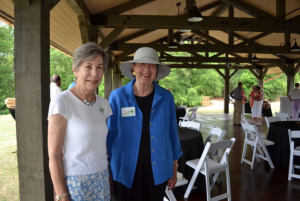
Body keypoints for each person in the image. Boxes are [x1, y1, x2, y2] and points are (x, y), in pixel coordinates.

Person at [107, 47, 183, 201]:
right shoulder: (117, 97)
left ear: (156, 70)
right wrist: (107, 170)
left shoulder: (166, 97)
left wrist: (174, 169)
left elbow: (172, 134)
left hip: (158, 167)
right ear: (133, 68)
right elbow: (109, 135)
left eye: (152, 65)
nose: (147, 69)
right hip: (124, 166)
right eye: (142, 64)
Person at [48, 42, 112, 201]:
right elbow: (54, 155)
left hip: (102, 177)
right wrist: (62, 195)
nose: (94, 73)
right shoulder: (62, 102)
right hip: (76, 182)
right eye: (88, 66)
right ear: (75, 70)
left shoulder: (104, 104)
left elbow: (102, 146)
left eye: (99, 67)